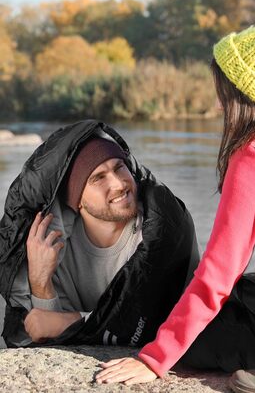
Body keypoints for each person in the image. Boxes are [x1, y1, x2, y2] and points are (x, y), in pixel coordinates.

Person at [95, 11, 255, 388]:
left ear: (245, 95)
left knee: (178, 335)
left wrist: (155, 359)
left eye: (225, 93)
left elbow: (217, 275)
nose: (219, 105)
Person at [0, 121, 199, 348]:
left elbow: (152, 322)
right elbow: (46, 333)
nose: (118, 184)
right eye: (98, 178)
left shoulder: (160, 232)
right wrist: (40, 282)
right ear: (77, 201)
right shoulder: (54, 249)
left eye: (119, 167)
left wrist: (74, 321)